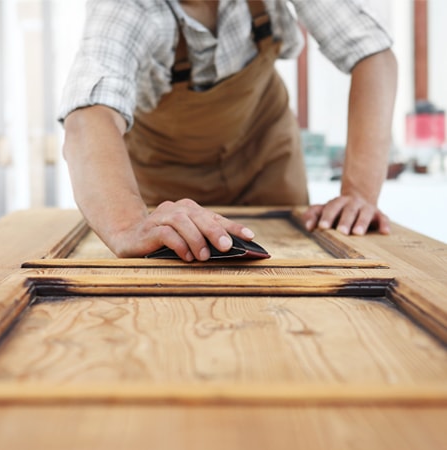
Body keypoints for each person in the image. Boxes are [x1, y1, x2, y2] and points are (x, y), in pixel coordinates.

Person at [59, 0, 397, 261]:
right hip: (164, 176)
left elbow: (372, 56)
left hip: (266, 154)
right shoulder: (126, 7)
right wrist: (127, 226)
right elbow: (89, 116)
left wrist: (359, 195)